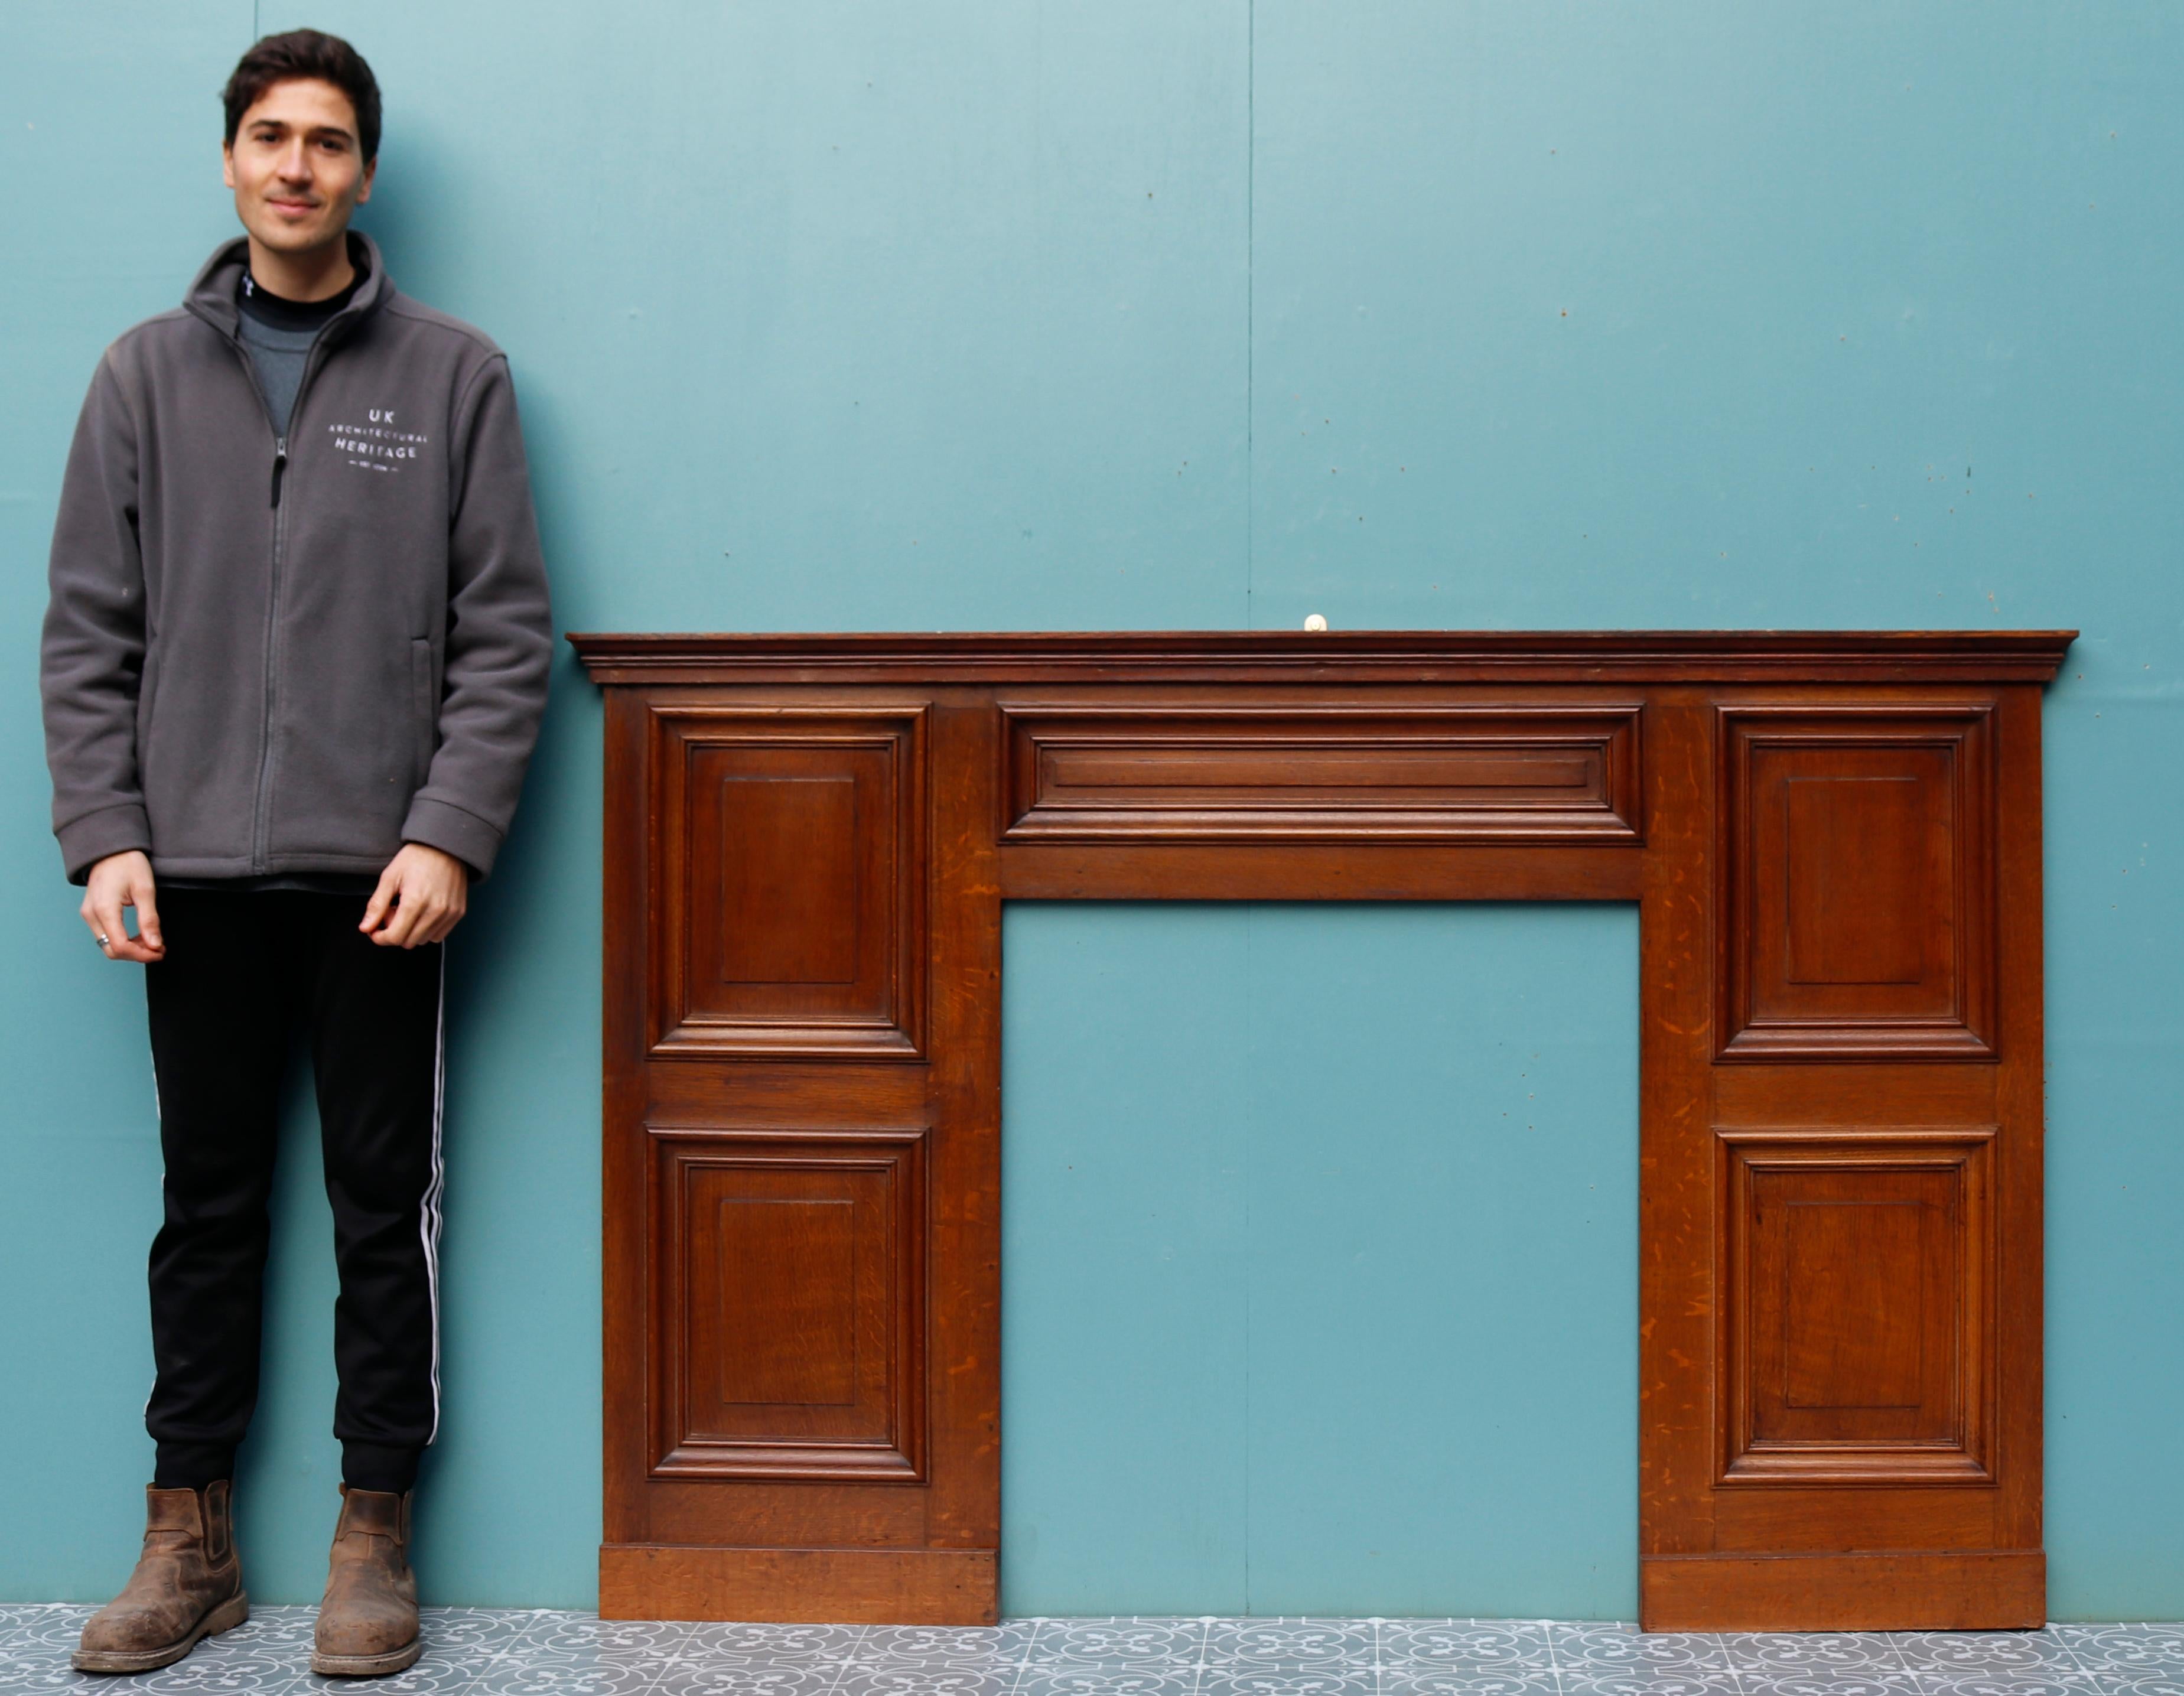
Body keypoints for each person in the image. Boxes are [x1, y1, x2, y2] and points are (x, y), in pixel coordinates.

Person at [40, 29, 553, 1678]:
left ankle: (371, 1530)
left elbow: (503, 634)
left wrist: (450, 835)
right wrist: (103, 837)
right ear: (228, 160)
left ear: (362, 170)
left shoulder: (454, 374)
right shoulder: (138, 377)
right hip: (184, 874)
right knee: (207, 1208)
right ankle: (184, 1534)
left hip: (380, 879)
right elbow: (83, 637)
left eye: (326, 141)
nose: (295, 165)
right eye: (269, 136)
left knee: (376, 1201)